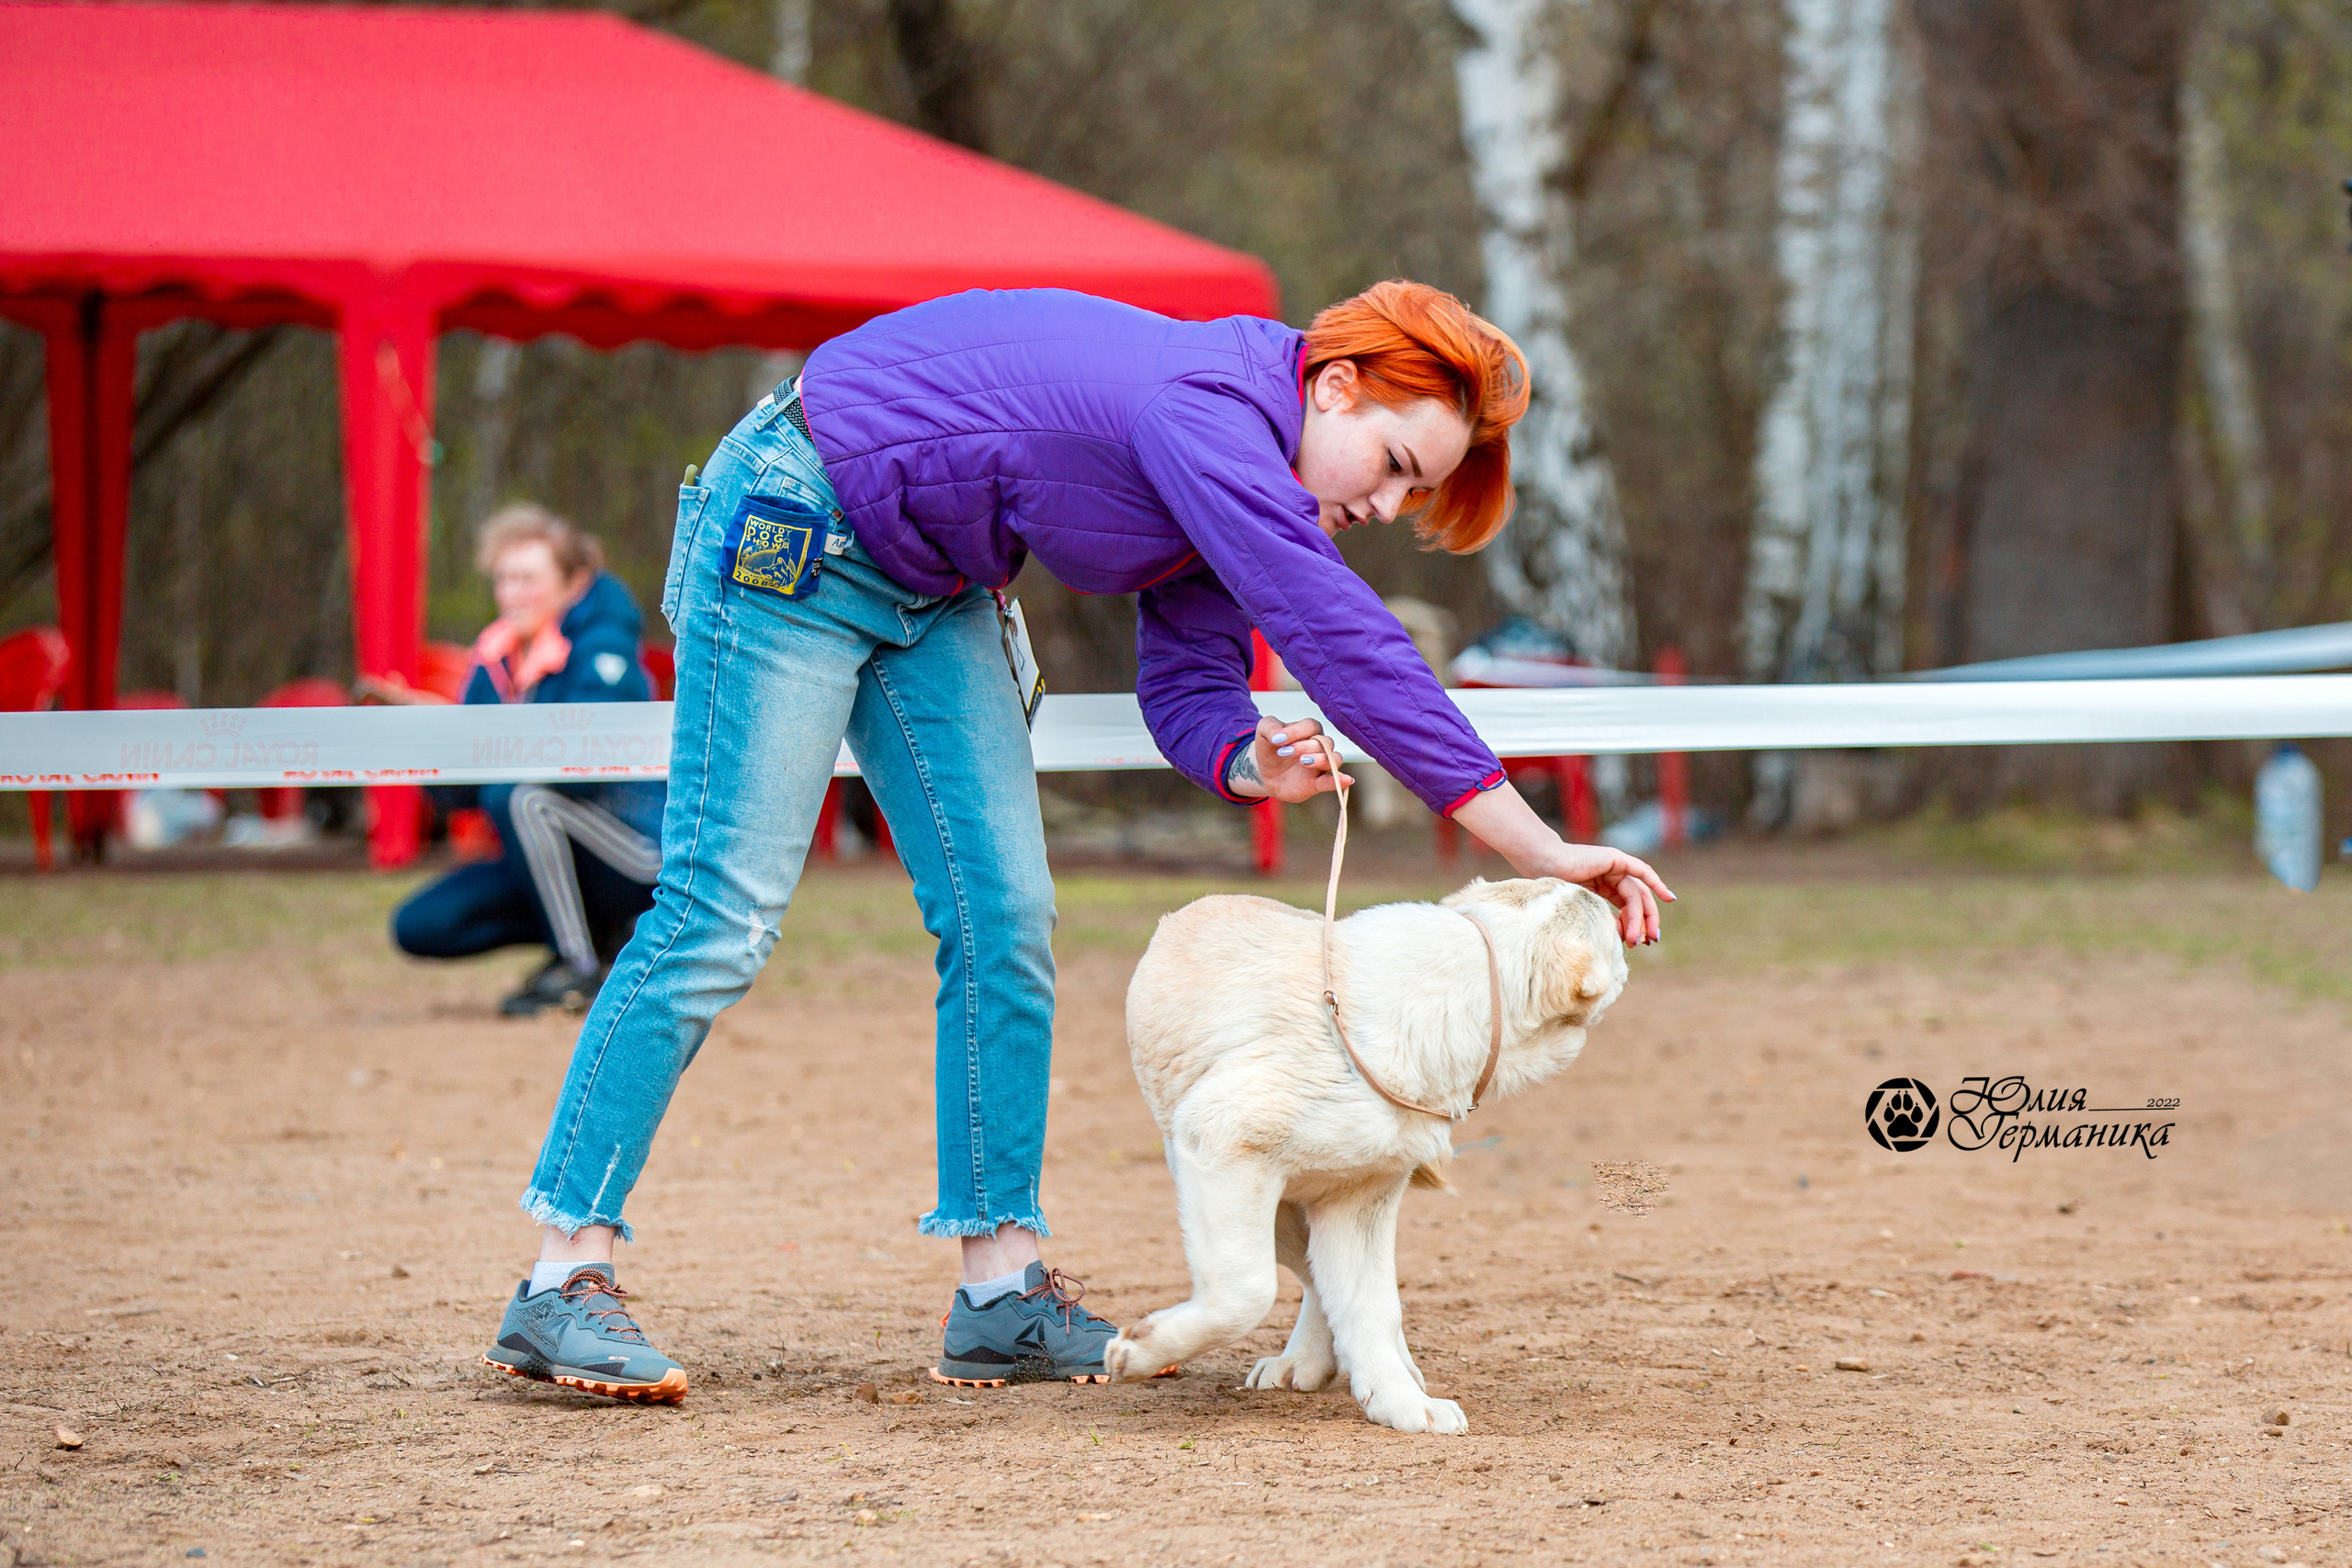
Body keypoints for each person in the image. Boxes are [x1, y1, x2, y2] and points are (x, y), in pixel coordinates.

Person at [480, 282, 1673, 1404]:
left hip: (933, 581)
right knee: (721, 915)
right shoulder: (1208, 413)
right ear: (1339, 385)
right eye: (1398, 467)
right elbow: (1346, 640)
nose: (1387, 507)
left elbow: (1194, 679)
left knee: (1006, 917)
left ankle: (998, 1287)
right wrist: (1540, 848)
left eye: (1415, 497)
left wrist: (1255, 763)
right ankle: (559, 1272)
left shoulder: (1247, 476)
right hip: (796, 519)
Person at [379, 505, 667, 1018]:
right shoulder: (494, 657)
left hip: (641, 850)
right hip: (547, 848)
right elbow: (464, 796)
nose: (513, 594)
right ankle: (603, 940)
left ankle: (577, 968)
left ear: (573, 582)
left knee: (521, 796)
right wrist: (425, 740)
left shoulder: (605, 644)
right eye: (504, 579)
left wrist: (488, 746)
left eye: (528, 579)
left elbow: (580, 766)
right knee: (419, 925)